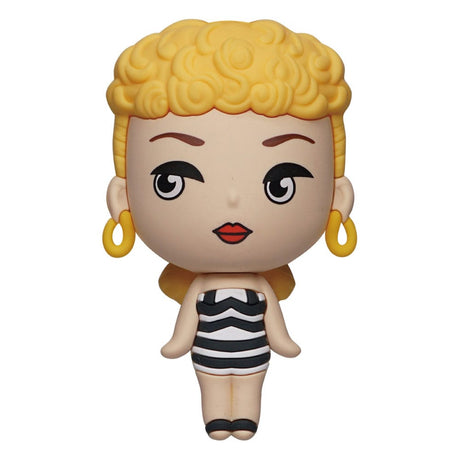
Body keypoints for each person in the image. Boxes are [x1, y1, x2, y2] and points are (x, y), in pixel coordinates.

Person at [102, 19, 357, 440]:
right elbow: (186, 329)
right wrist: (177, 343)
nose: (233, 200)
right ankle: (218, 417)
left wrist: (284, 342)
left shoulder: (259, 289)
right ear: (121, 197)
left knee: (252, 380)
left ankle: (246, 416)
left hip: (253, 358)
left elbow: (275, 329)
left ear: (338, 197)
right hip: (209, 359)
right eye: (171, 180)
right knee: (212, 381)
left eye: (281, 182)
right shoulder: (206, 290)